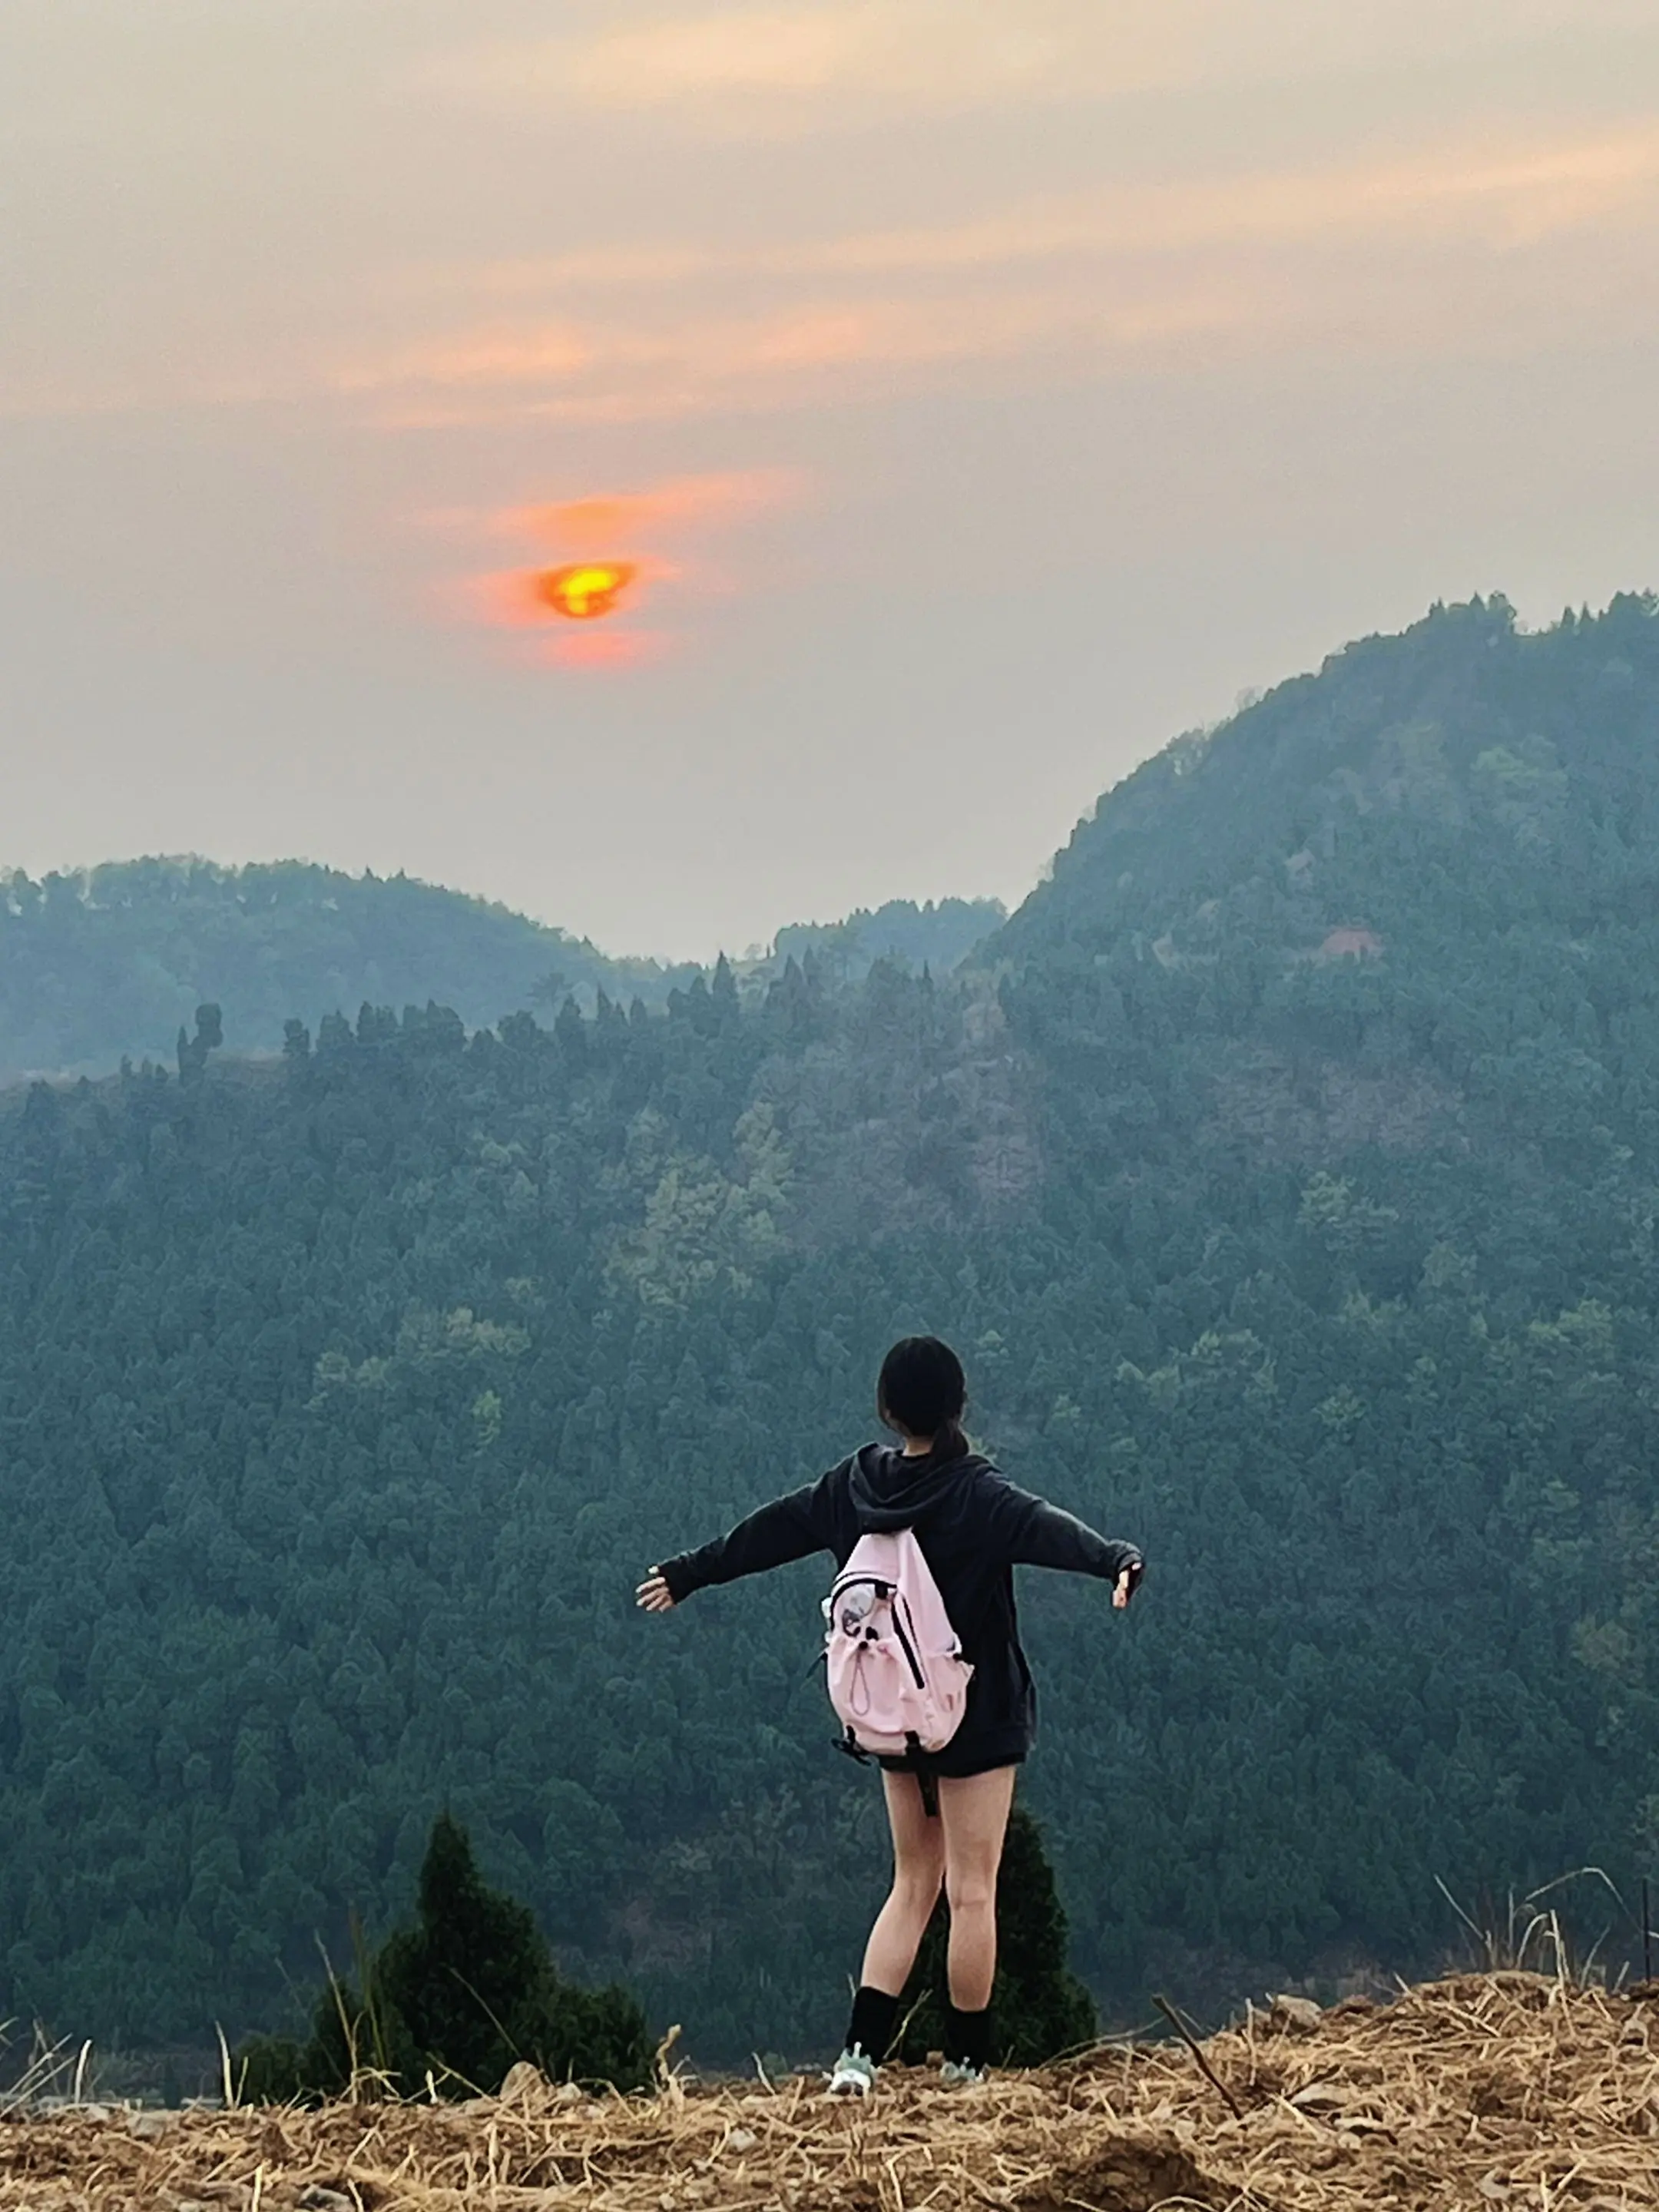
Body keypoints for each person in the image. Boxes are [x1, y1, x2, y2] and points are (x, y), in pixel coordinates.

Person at [636, 1334, 1144, 2097]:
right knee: (973, 1890)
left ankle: (858, 2059)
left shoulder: (854, 1486)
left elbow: (769, 1531)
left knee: (913, 1881)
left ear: (885, 1408)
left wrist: (689, 1573)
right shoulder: (979, 1493)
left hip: (893, 1714)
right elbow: (1051, 1531)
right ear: (959, 1405)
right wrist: (1117, 1558)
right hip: (977, 1715)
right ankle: (966, 2064)